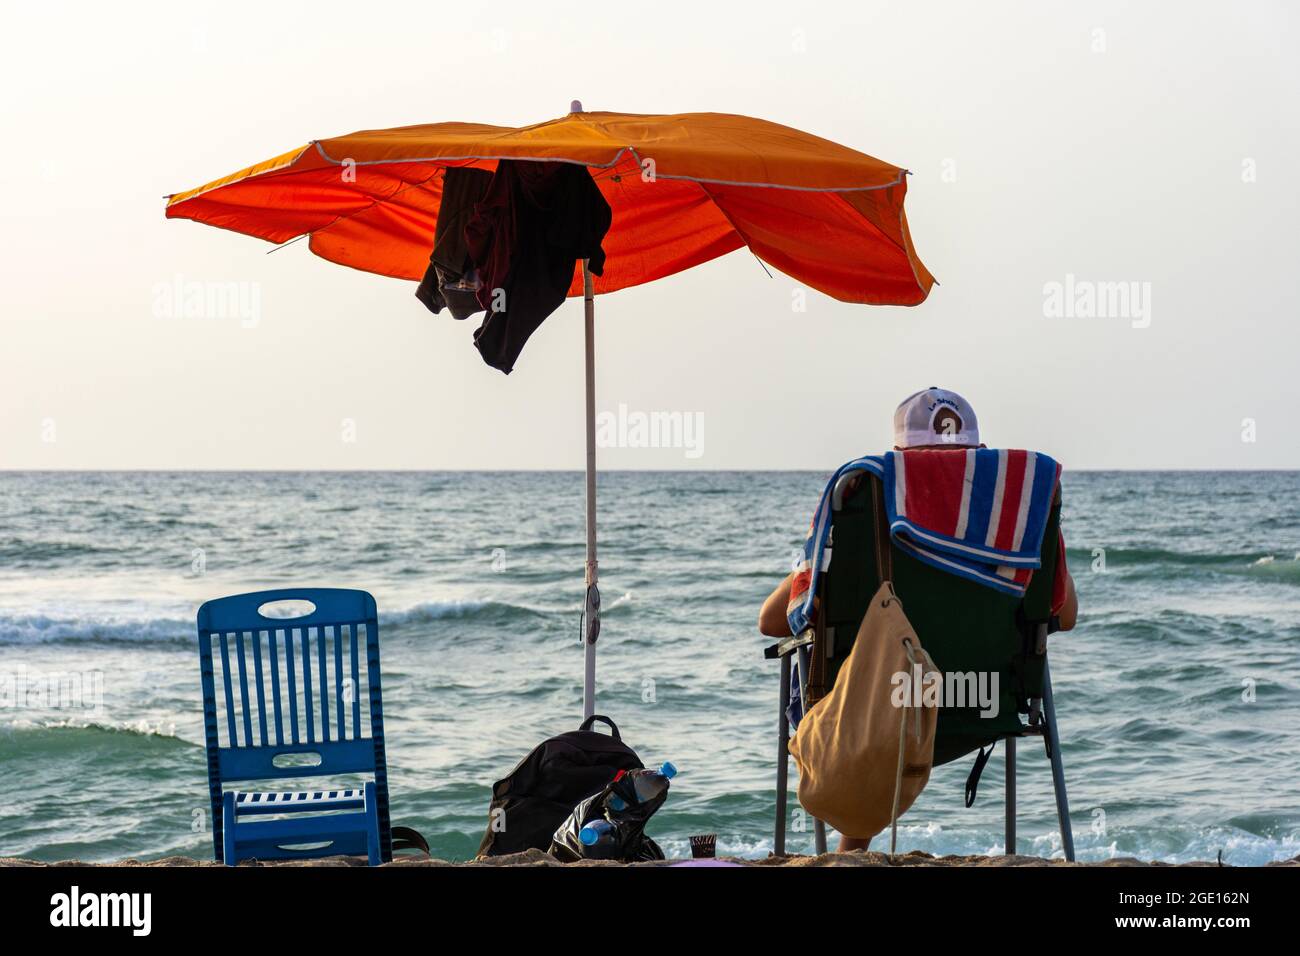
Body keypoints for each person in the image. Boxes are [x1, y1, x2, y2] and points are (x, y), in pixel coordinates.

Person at [758, 387, 1078, 852]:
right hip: (986, 700)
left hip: (876, 709)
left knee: (842, 671)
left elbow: (772, 621)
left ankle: (849, 853)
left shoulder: (865, 501)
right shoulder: (1018, 520)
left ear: (900, 457)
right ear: (977, 458)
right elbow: (1063, 616)